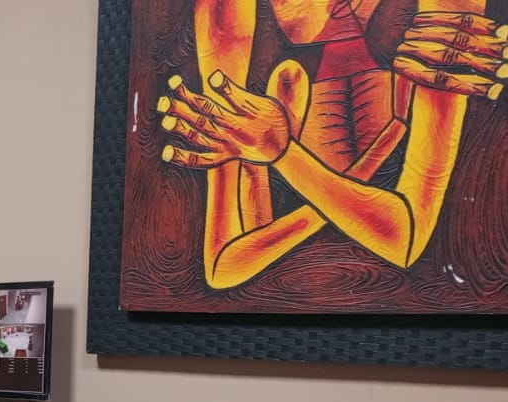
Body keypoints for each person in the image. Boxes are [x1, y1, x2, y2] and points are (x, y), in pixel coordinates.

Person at [161, 1, 506, 290]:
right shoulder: (230, 12)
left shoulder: (440, 9)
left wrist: (282, 155)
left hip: (419, 303)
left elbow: (407, 238)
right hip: (289, 305)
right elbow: (223, 264)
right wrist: (277, 158)